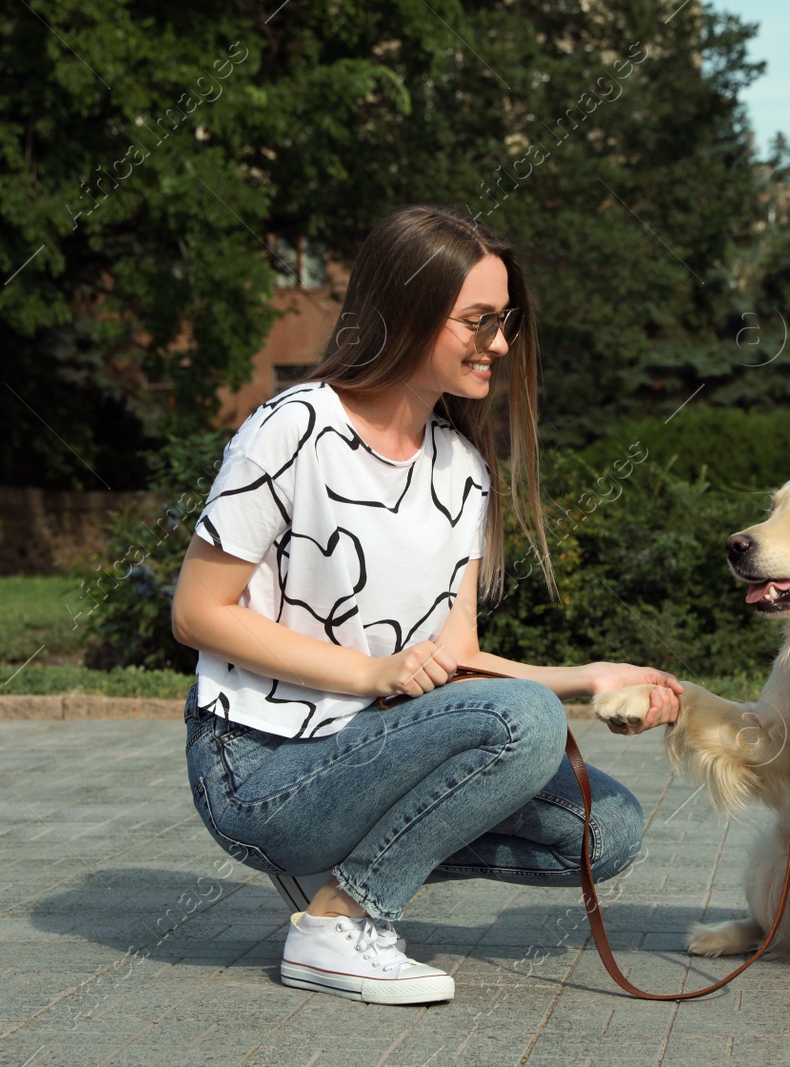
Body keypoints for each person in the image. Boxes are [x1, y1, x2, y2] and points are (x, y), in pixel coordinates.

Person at [169, 203, 683, 1006]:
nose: (501, 345)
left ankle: (342, 874)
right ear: (408, 309)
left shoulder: (461, 470)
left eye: (505, 321)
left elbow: (457, 664)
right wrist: (374, 670)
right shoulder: (293, 427)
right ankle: (340, 920)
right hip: (259, 768)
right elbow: (198, 612)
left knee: (604, 830)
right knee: (525, 722)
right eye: (479, 321)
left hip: (367, 751)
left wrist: (587, 676)